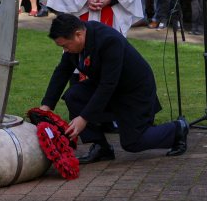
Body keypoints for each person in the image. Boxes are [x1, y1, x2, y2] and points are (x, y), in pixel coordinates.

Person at [40, 15, 189, 164]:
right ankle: (101, 147)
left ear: (78, 34)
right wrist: (46, 107)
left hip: (134, 90)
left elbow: (108, 84)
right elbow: (62, 71)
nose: (65, 50)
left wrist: (84, 118)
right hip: (111, 86)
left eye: (65, 45)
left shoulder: (108, 40)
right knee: (74, 95)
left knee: (133, 143)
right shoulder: (76, 43)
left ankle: (177, 129)